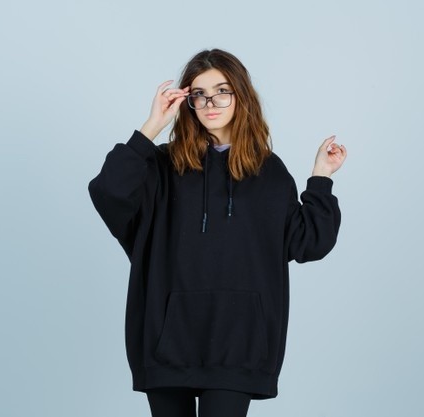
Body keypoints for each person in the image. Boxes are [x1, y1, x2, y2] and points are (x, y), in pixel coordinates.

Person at [88, 49, 347, 417]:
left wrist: (321, 177)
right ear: (188, 102)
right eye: (199, 94)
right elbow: (109, 192)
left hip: (239, 343)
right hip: (167, 340)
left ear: (241, 95)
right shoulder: (162, 165)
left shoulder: (269, 171)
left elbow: (309, 243)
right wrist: (151, 126)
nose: (210, 103)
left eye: (222, 91)